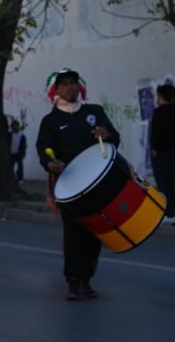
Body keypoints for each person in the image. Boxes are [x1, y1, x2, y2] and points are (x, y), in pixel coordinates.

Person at [36, 68, 120, 301]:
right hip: (68, 186)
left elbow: (114, 137)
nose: (70, 87)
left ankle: (87, 279)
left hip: (97, 185)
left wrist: (107, 133)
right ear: (57, 90)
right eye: (64, 84)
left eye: (73, 83)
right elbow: (43, 148)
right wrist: (49, 162)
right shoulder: (51, 120)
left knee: (94, 234)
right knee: (73, 234)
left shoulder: (94, 112)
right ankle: (73, 281)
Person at [150, 84, 175, 223]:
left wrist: (154, 147)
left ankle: (169, 211)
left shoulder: (160, 112)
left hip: (162, 153)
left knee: (164, 182)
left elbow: (157, 134)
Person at [9, 119, 27, 184]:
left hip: (19, 153)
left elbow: (24, 146)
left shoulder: (22, 136)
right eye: (13, 126)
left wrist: (23, 153)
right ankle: (11, 178)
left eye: (16, 126)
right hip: (11, 153)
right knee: (10, 167)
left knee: (20, 167)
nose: (15, 127)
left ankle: (20, 179)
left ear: (19, 126)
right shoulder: (9, 135)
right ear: (11, 127)